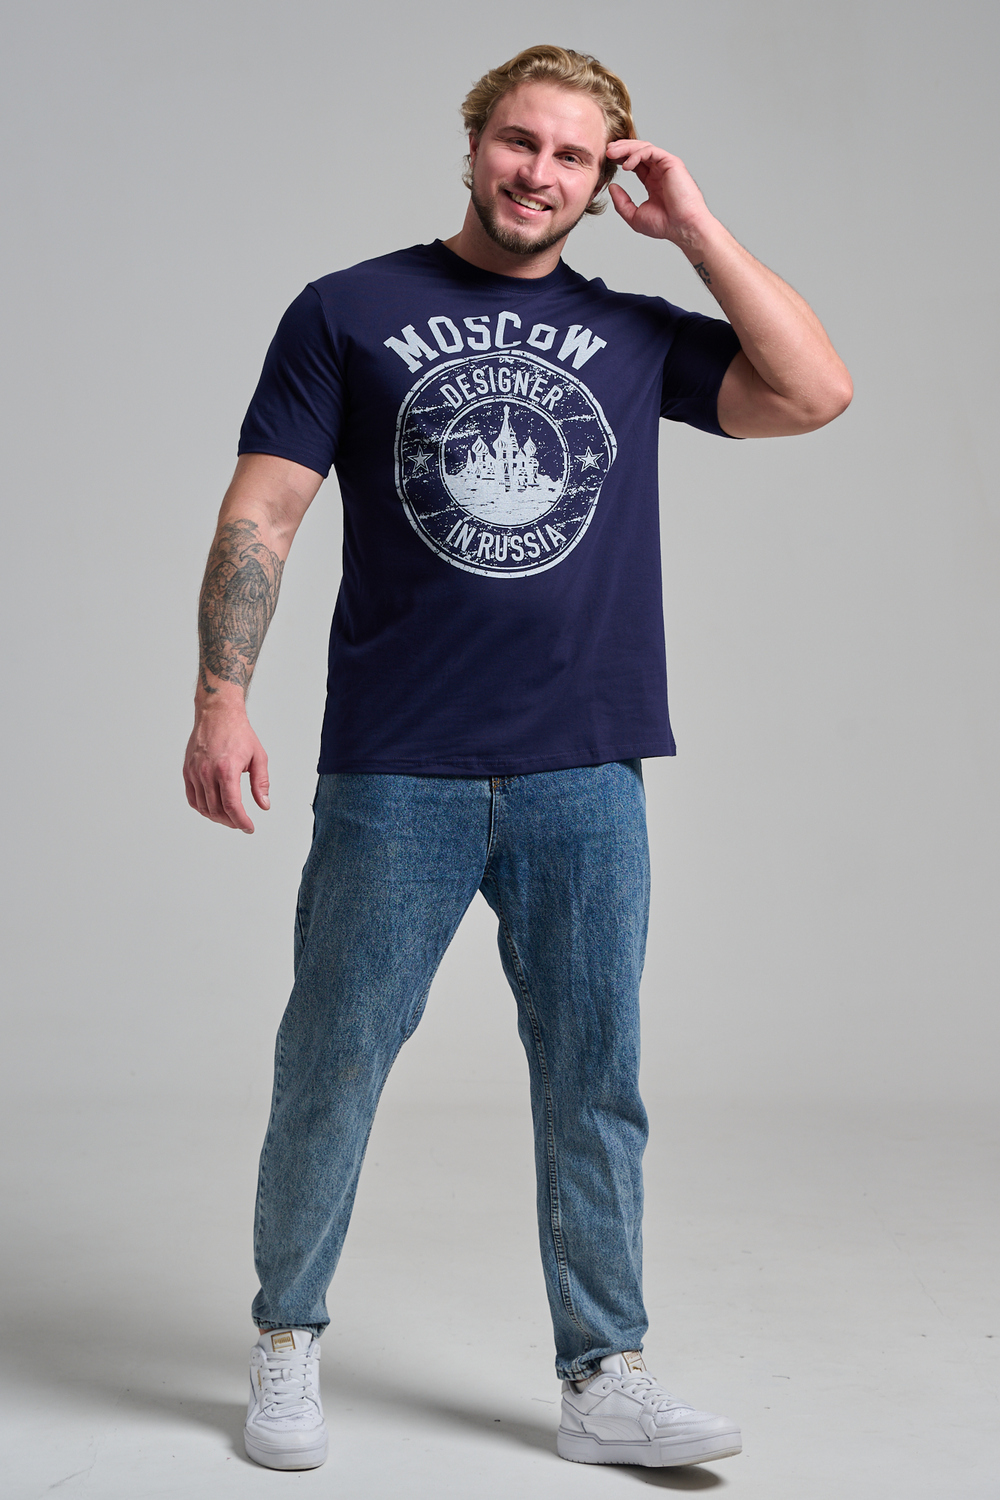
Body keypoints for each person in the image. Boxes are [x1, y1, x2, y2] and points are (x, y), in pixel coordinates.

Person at [183, 44, 851, 1473]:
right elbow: (263, 513)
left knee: (596, 1079)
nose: (537, 173)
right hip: (397, 766)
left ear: (605, 178)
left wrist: (694, 226)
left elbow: (814, 392)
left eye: (572, 155)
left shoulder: (633, 330)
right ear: (475, 140)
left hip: (585, 766)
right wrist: (220, 696)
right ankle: (287, 1338)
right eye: (518, 140)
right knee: (332, 1062)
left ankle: (605, 1372)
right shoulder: (347, 310)